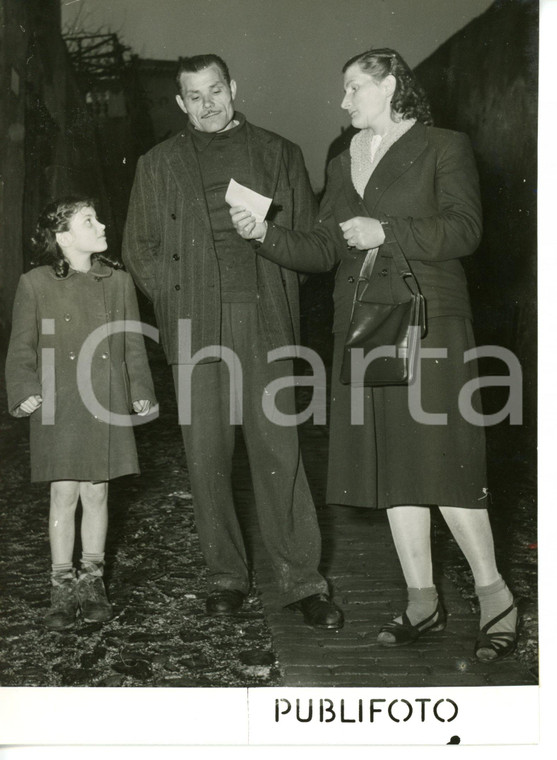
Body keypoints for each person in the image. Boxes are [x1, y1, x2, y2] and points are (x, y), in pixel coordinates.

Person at [231, 48, 518, 661]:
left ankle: (496, 596)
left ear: (390, 86)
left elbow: (465, 229)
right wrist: (265, 236)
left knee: (445, 461)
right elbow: (324, 247)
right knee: (392, 466)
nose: (343, 102)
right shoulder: (343, 161)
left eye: (354, 88)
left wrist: (388, 231)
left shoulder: (445, 146)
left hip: (428, 319)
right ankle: (423, 599)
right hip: (362, 323)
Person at [122, 54, 343, 629]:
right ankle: (226, 576)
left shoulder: (280, 153)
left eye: (215, 90)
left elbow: (312, 243)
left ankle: (302, 581)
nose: (207, 103)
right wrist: (175, 304)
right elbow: (139, 247)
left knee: (280, 455)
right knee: (206, 461)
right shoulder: (156, 163)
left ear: (232, 88)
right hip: (195, 327)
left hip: (265, 321)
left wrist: (267, 237)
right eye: (193, 96)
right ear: (180, 103)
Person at [5, 196, 157, 631]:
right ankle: (61, 585)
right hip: (58, 401)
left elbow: (132, 345)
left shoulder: (118, 281)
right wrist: (24, 391)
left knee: (97, 492)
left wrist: (140, 390)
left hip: (104, 399)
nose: (102, 224)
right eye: (89, 220)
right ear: (64, 237)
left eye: (98, 216)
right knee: (63, 493)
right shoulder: (35, 283)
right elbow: (22, 347)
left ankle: (92, 581)